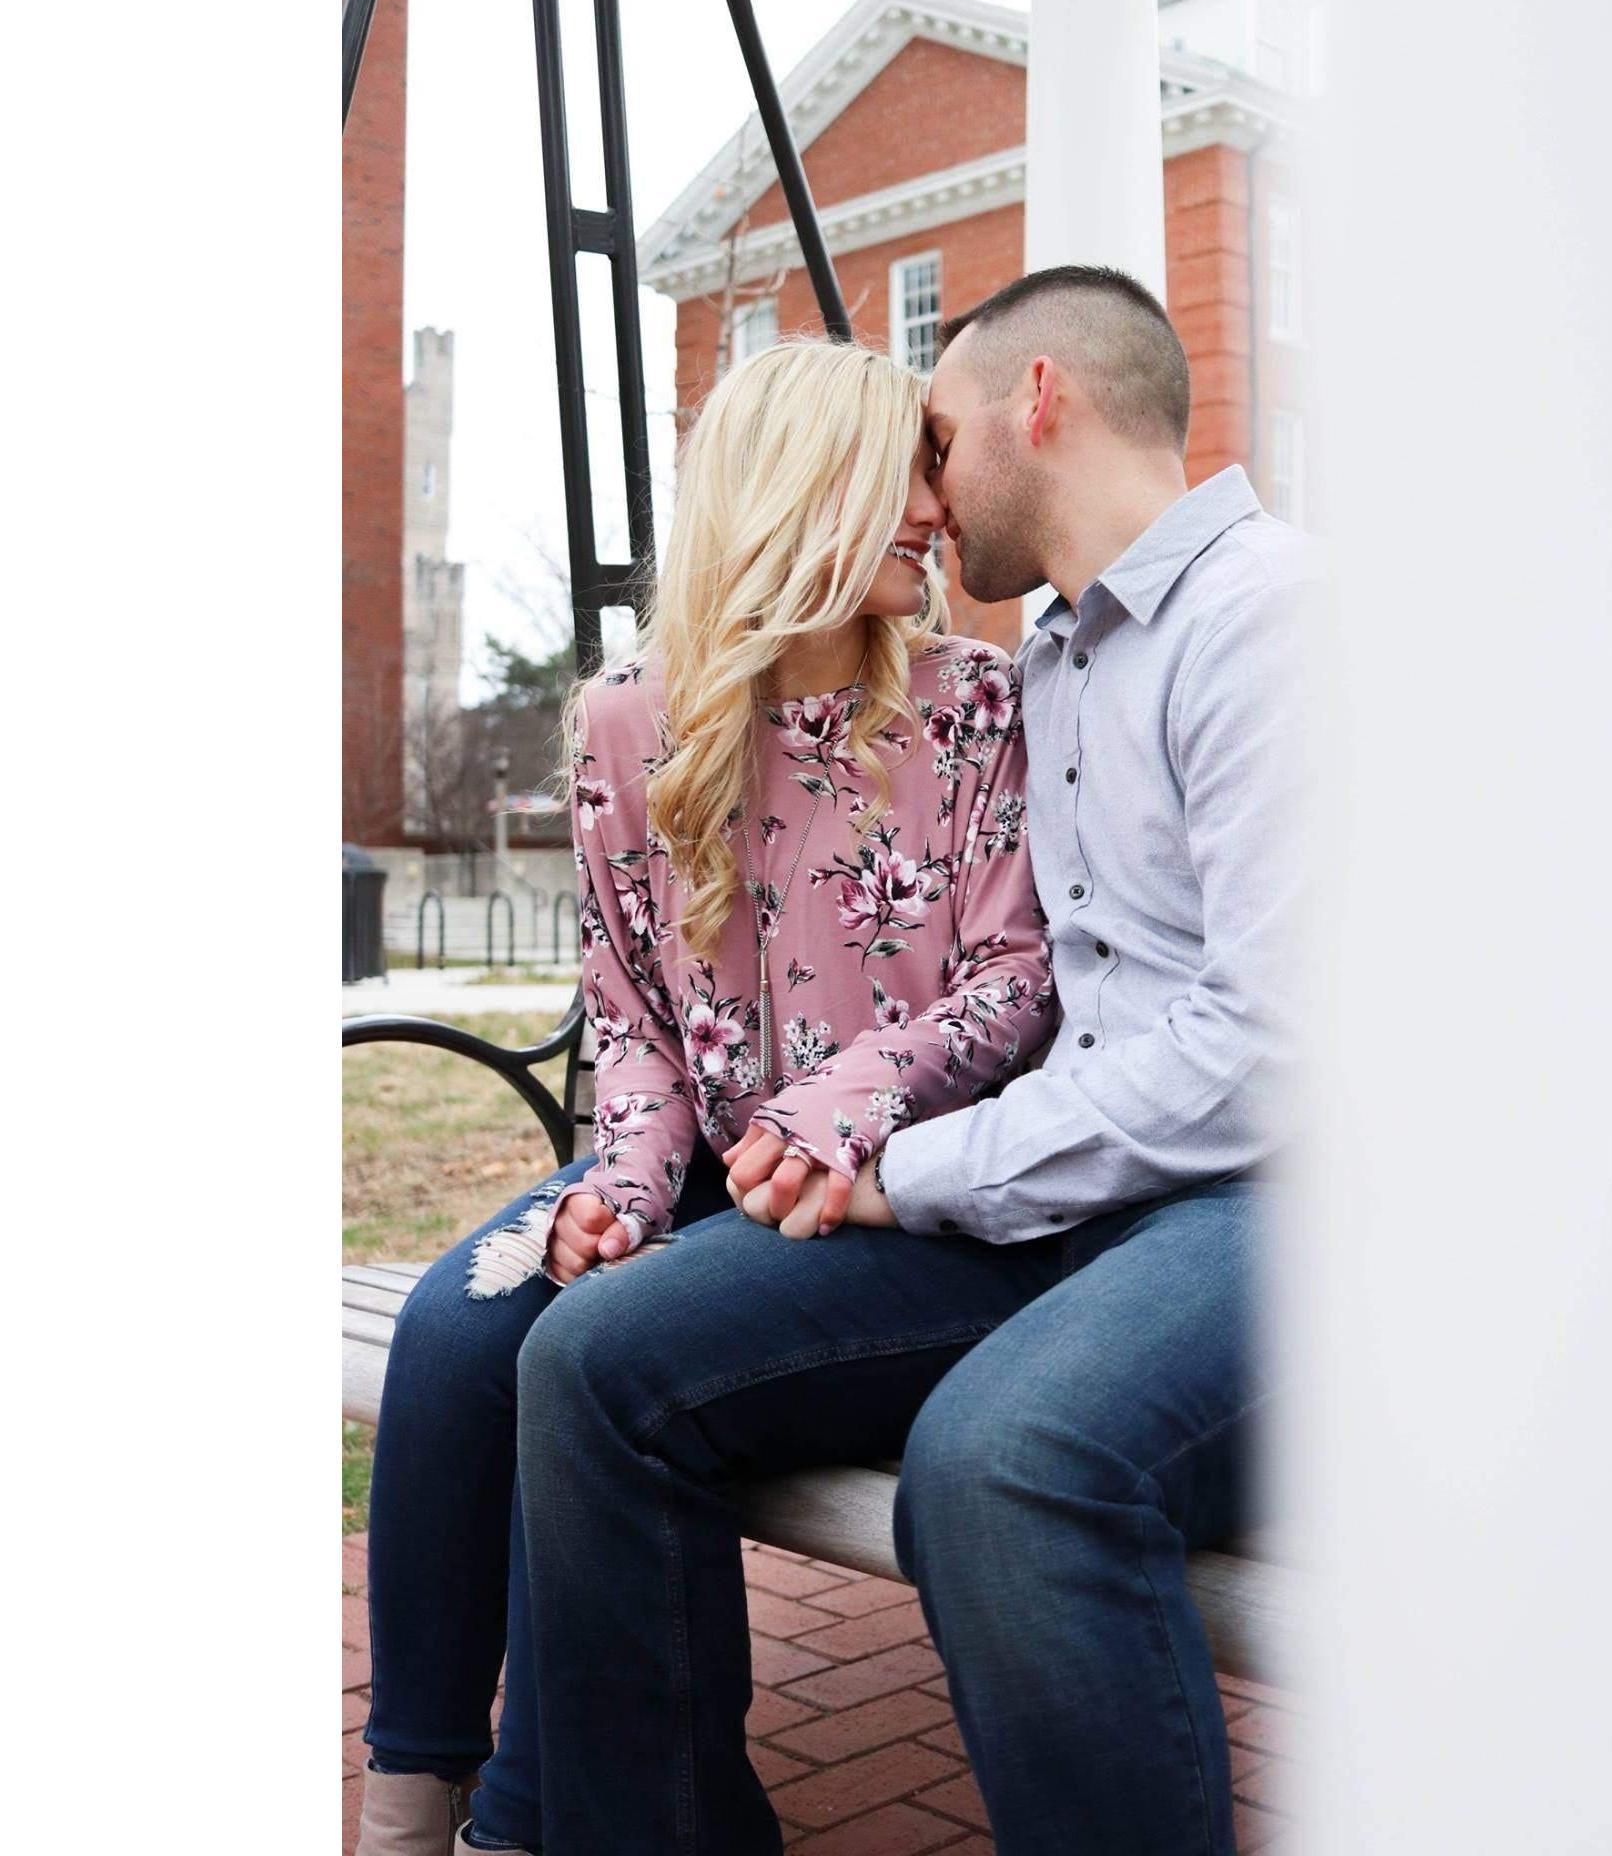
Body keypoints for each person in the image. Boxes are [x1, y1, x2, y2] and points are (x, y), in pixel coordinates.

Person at [518, 264, 1314, 1855]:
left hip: (1274, 1201)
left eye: (935, 442)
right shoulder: (1060, 662)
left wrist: (914, 1172)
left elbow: (1268, 1056)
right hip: (1071, 1194)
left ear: (1039, 403)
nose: (928, 501)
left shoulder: (1274, 623)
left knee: (1000, 1460)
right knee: (593, 1360)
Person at [356, 339, 1053, 1856]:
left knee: (595, 1355)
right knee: (461, 1324)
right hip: (696, 1166)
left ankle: (526, 1821)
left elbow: (1014, 984)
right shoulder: (631, 719)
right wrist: (615, 1181)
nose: (939, 507)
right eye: (905, 473)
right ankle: (409, 1789)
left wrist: (843, 1105)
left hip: (883, 1194)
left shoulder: (980, 708)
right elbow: (633, 1015)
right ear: (804, 494)